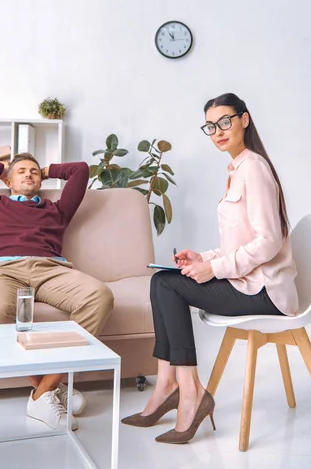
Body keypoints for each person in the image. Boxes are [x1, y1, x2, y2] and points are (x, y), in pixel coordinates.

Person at [122, 92, 298, 444]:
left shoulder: (255, 169)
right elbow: (241, 242)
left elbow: (268, 242)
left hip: (265, 292)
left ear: (244, 120)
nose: (217, 131)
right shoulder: (237, 169)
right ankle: (171, 385)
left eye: (224, 122)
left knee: (167, 286)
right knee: (163, 281)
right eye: (210, 126)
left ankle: (187, 391)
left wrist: (215, 270)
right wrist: (204, 258)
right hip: (248, 281)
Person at [0, 149, 114, 431]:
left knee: (99, 296)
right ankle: (50, 390)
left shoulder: (56, 209)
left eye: (34, 172)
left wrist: (44, 170)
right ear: (8, 182)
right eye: (21, 172)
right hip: (3, 270)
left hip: (50, 269)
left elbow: (81, 169)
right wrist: (3, 170)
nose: (28, 174)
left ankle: (44, 391)